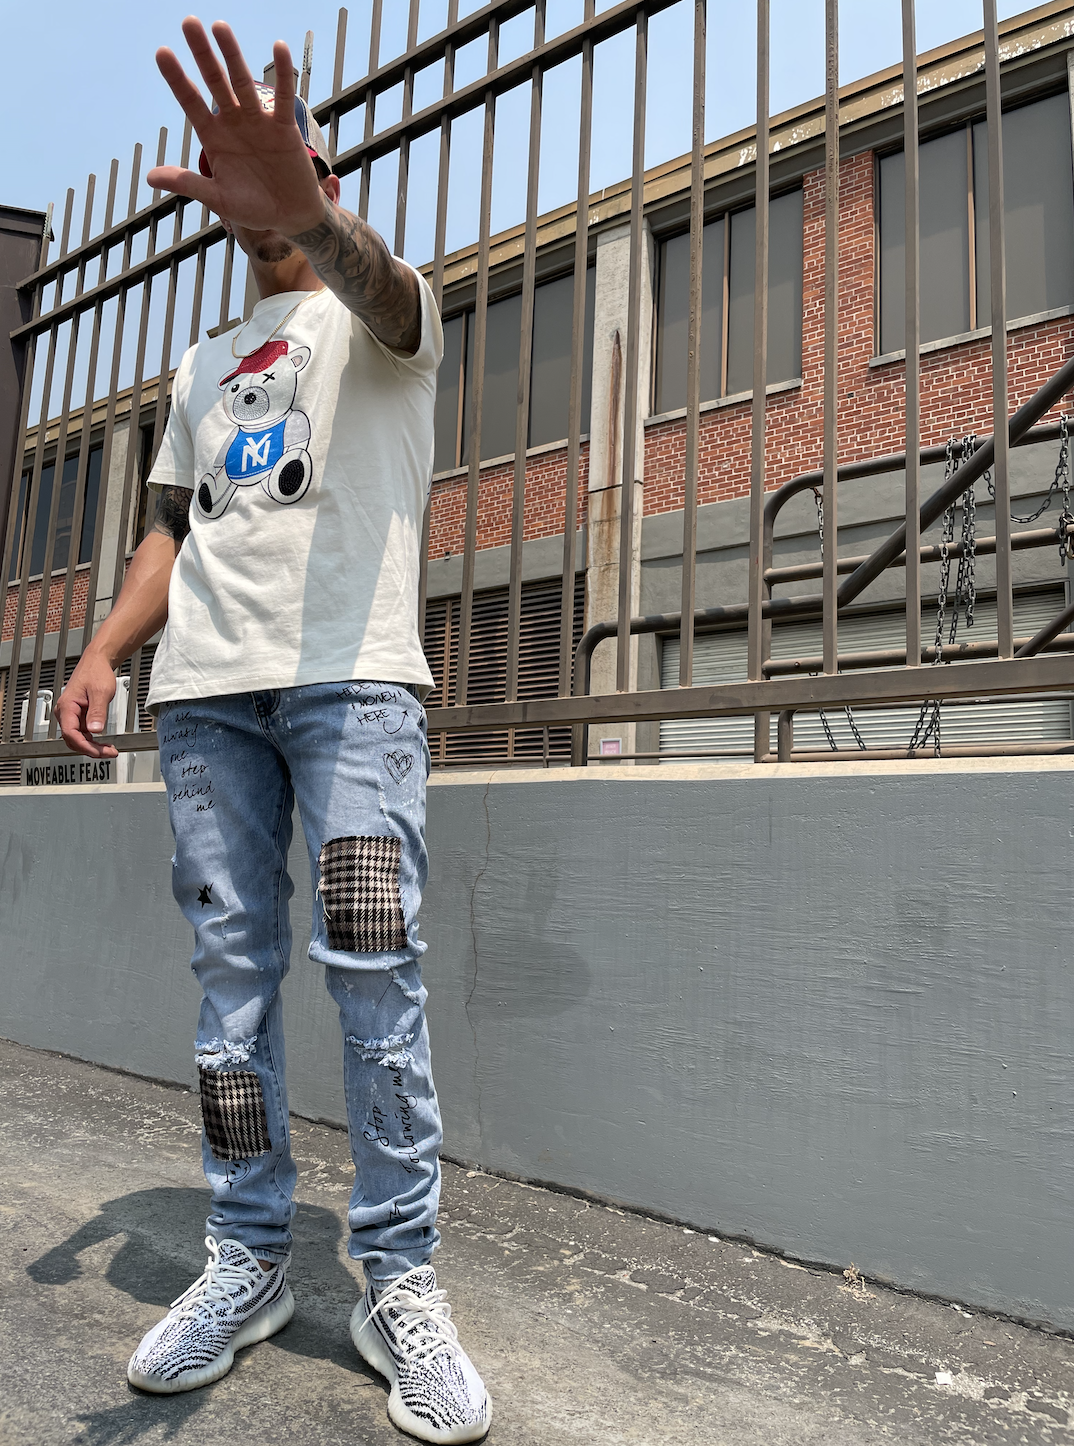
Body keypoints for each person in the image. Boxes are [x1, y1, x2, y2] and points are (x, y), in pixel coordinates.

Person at [55, 18, 491, 1445]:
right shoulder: (195, 365)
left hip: (350, 685)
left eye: (288, 169)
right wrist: (108, 648)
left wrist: (314, 217)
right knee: (229, 977)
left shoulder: (377, 317)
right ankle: (244, 1253)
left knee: (374, 962)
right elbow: (172, 527)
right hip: (203, 702)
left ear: (311, 171)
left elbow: (390, 289)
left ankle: (397, 1274)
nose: (258, 187)